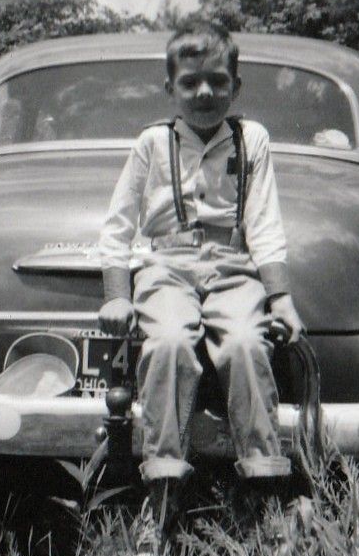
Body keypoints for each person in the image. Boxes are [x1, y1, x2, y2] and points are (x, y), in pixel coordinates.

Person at [94, 25, 306, 500]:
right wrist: (116, 297)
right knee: (168, 343)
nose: (204, 92)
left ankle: (265, 485)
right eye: (189, 83)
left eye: (217, 80)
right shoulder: (152, 143)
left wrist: (282, 299)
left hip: (233, 267)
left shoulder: (252, 139)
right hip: (167, 265)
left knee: (247, 345)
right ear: (170, 89)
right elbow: (119, 226)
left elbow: (265, 223)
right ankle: (163, 489)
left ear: (236, 87)